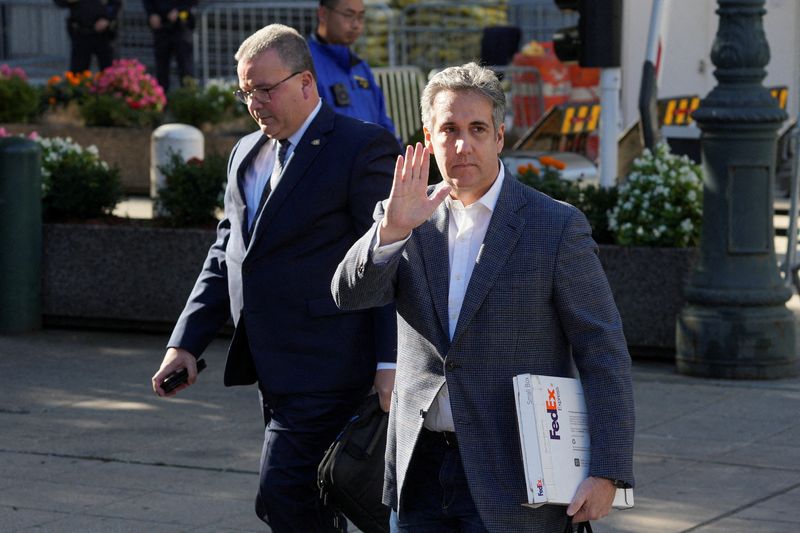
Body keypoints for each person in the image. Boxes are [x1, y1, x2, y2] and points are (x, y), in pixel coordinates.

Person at [332, 62, 635, 532]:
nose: (462, 144)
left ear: (499, 136)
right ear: (428, 139)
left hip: (515, 475)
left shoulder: (553, 226)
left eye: (476, 129)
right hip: (419, 470)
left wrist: (607, 470)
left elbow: (603, 349)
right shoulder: (406, 214)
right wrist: (391, 230)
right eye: (448, 129)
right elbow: (349, 296)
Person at [151, 24, 400, 532]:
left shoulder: (360, 147)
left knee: (282, 492)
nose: (255, 102)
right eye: (246, 91)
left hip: (332, 364)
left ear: (306, 82)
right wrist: (185, 343)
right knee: (309, 497)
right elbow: (227, 252)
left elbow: (388, 259)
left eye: (266, 89)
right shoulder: (247, 153)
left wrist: (389, 361)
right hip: (271, 363)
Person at [309, 0, 395, 134]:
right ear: (323, 14)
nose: (356, 25)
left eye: (360, 17)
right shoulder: (305, 64)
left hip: (375, 152)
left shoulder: (360, 67)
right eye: (349, 15)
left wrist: (395, 151)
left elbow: (383, 122)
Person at [143, 0, 197, 93]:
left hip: (181, 26)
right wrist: (151, 13)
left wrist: (179, 10)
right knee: (161, 71)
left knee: (186, 69)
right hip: (161, 26)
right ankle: (161, 102)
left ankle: (189, 99)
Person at [54, 0, 121, 72]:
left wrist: (107, 19)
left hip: (104, 34)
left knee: (109, 71)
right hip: (81, 33)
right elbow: (59, 2)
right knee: (78, 73)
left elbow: (115, 3)